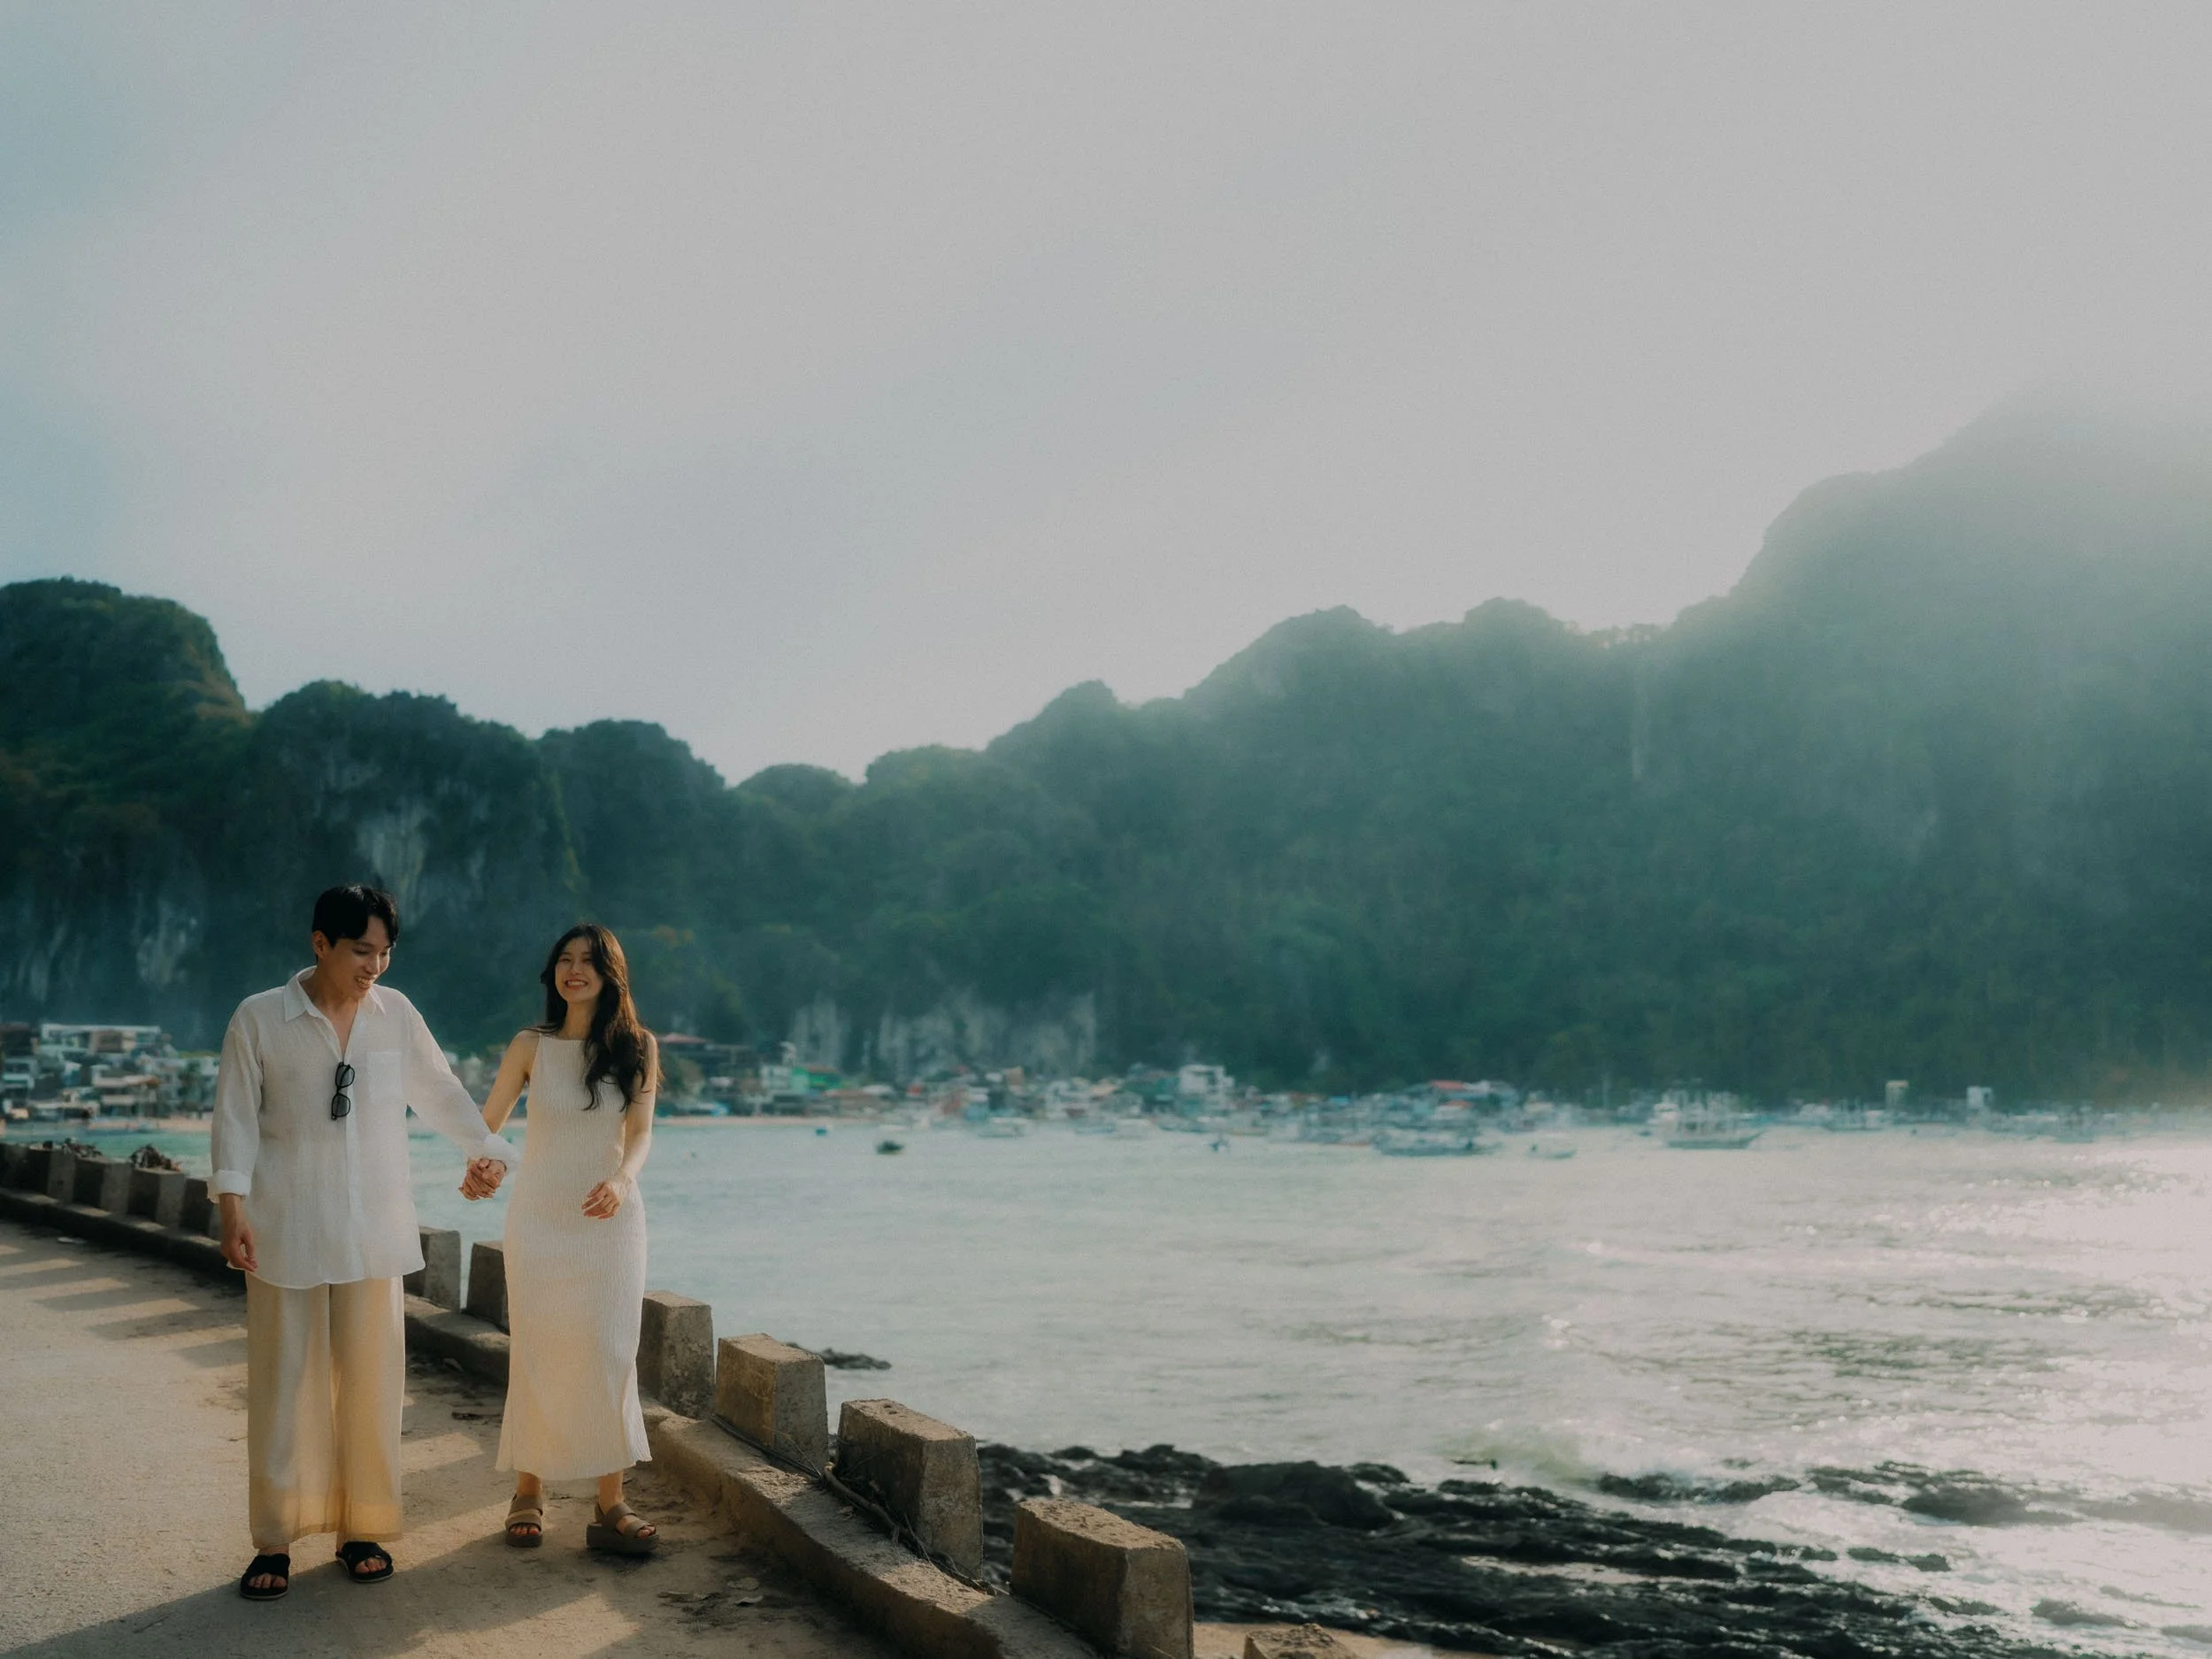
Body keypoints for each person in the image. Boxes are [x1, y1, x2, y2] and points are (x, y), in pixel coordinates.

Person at [213, 884, 516, 1601]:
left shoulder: (396, 1013)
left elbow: (440, 1091)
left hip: (375, 1228)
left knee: (375, 1386)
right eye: (361, 950)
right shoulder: (259, 1018)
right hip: (284, 1223)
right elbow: (234, 1119)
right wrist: (232, 1208)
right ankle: (275, 1538)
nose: (374, 964)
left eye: (384, 952)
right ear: (320, 942)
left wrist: (485, 1148)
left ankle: (362, 1527)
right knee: (283, 1384)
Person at [474, 922, 660, 1555]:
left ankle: (611, 1503)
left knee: (609, 1352)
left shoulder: (638, 1046)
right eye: (564, 959)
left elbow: (640, 1134)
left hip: (611, 1221)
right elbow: (489, 1122)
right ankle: (529, 1488)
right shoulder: (531, 1044)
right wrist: (484, 1163)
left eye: (588, 960)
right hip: (539, 1219)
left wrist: (622, 1181)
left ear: (611, 974)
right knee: (540, 1346)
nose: (573, 969)